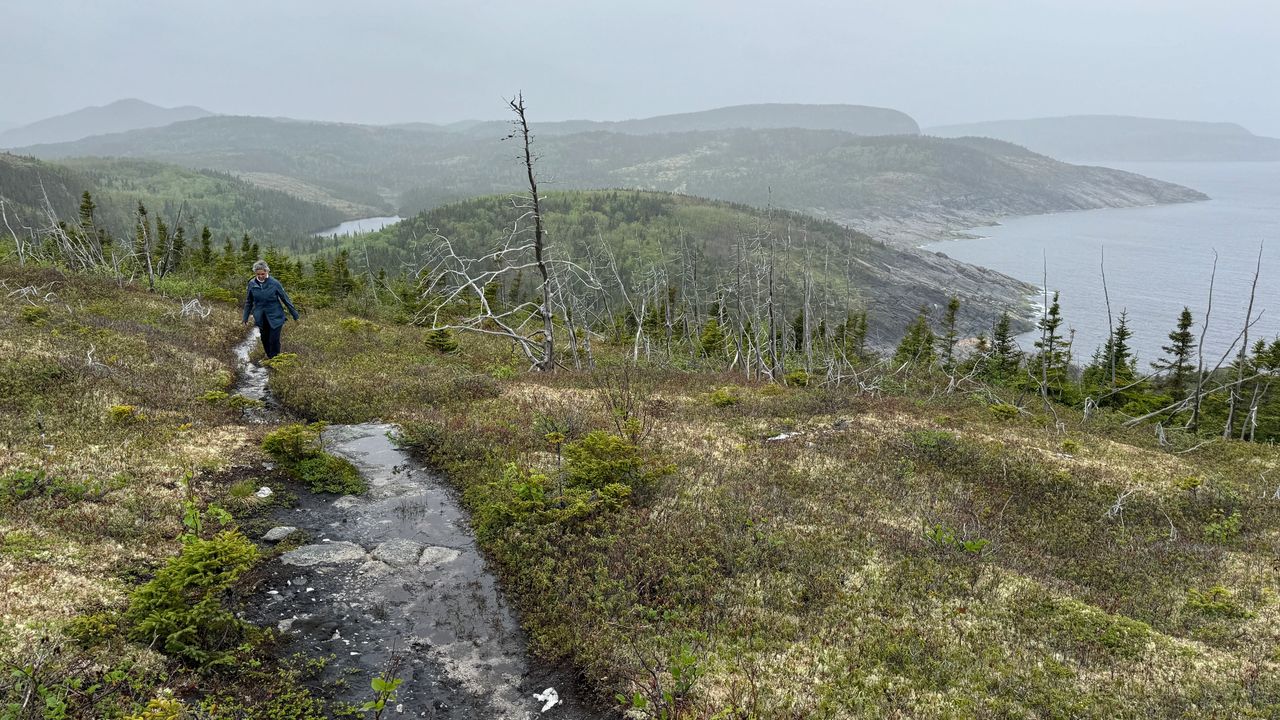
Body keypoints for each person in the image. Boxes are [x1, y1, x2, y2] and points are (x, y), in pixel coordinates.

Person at [242, 260, 299, 359]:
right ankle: (270, 357)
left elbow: (285, 299)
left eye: (262, 274)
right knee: (264, 339)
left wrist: (295, 315)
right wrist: (245, 318)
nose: (260, 276)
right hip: (261, 316)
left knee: (274, 339)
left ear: (267, 272)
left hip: (275, 316)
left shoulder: (274, 283)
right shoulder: (251, 284)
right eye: (258, 274)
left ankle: (275, 359)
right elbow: (249, 301)